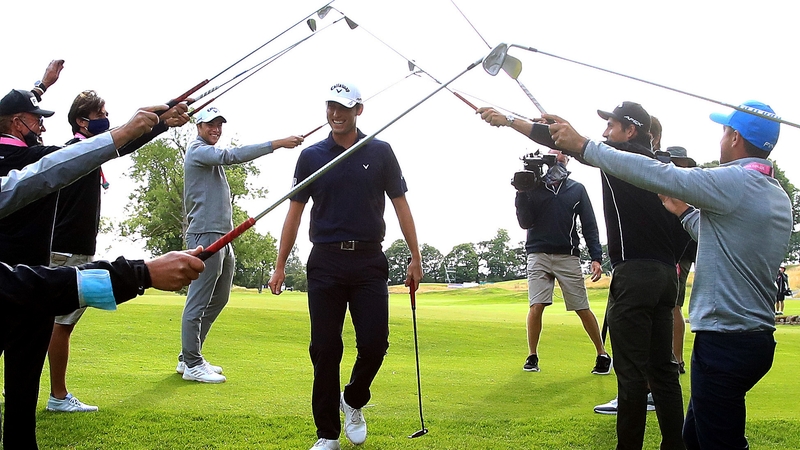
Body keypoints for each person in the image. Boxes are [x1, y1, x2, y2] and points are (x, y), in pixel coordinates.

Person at [545, 99, 792, 450]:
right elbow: (723, 238)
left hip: (724, 342)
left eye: (725, 132)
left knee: (719, 443)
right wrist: (686, 214)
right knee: (693, 438)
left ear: (735, 137)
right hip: (755, 341)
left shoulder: (734, 180)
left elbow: (661, 174)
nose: (722, 139)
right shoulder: (775, 194)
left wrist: (584, 146)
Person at [1, 78, 189, 447]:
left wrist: (158, 119)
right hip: (32, 287)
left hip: (19, 285)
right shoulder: (34, 160)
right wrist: (146, 126)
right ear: (16, 123)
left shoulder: (29, 155)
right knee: (22, 389)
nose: (42, 126)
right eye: (36, 120)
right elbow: (85, 154)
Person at [495, 101, 687, 449]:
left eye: (611, 126)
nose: (605, 132)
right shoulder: (662, 164)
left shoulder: (619, 158)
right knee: (663, 372)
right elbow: (572, 140)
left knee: (631, 376)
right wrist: (560, 124)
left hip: (634, 275)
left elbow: (568, 143)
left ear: (630, 131)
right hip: (665, 278)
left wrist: (509, 120)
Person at [267, 82, 423, 450]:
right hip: (326, 261)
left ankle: (352, 398)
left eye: (344, 108)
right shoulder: (311, 156)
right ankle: (327, 434)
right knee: (325, 348)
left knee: (375, 344)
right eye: (331, 107)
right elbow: (294, 213)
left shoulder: (380, 151)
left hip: (369, 259)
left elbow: (401, 206)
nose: (336, 115)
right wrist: (279, 264)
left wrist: (416, 257)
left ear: (359, 110)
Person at [476, 108, 610, 374]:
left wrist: (596, 257)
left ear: (567, 158)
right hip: (537, 253)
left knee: (581, 306)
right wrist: (521, 194)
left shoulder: (577, 189)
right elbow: (525, 222)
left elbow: (590, 225)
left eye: (560, 153)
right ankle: (532, 355)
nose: (556, 155)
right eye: (552, 152)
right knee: (536, 305)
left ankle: (602, 353)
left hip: (567, 255)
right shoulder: (534, 186)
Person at [178, 105, 304, 383]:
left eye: (219, 125)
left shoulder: (207, 152)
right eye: (210, 124)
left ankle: (188, 356)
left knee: (220, 298)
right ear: (199, 127)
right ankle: (192, 363)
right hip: (205, 236)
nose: (216, 129)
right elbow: (231, 156)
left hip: (223, 236)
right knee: (198, 302)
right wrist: (277, 144)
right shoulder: (197, 151)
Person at [44, 90, 125, 412]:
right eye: (101, 114)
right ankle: (58, 396)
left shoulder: (79, 151)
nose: (106, 119)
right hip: (68, 251)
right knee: (60, 325)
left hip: (66, 249)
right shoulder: (78, 151)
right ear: (81, 120)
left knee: (42, 322)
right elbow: (123, 140)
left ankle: (20, 384)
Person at [665, 146, 697, 374]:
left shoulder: (689, 190)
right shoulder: (664, 188)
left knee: (674, 306)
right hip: (665, 253)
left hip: (681, 255)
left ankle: (676, 359)